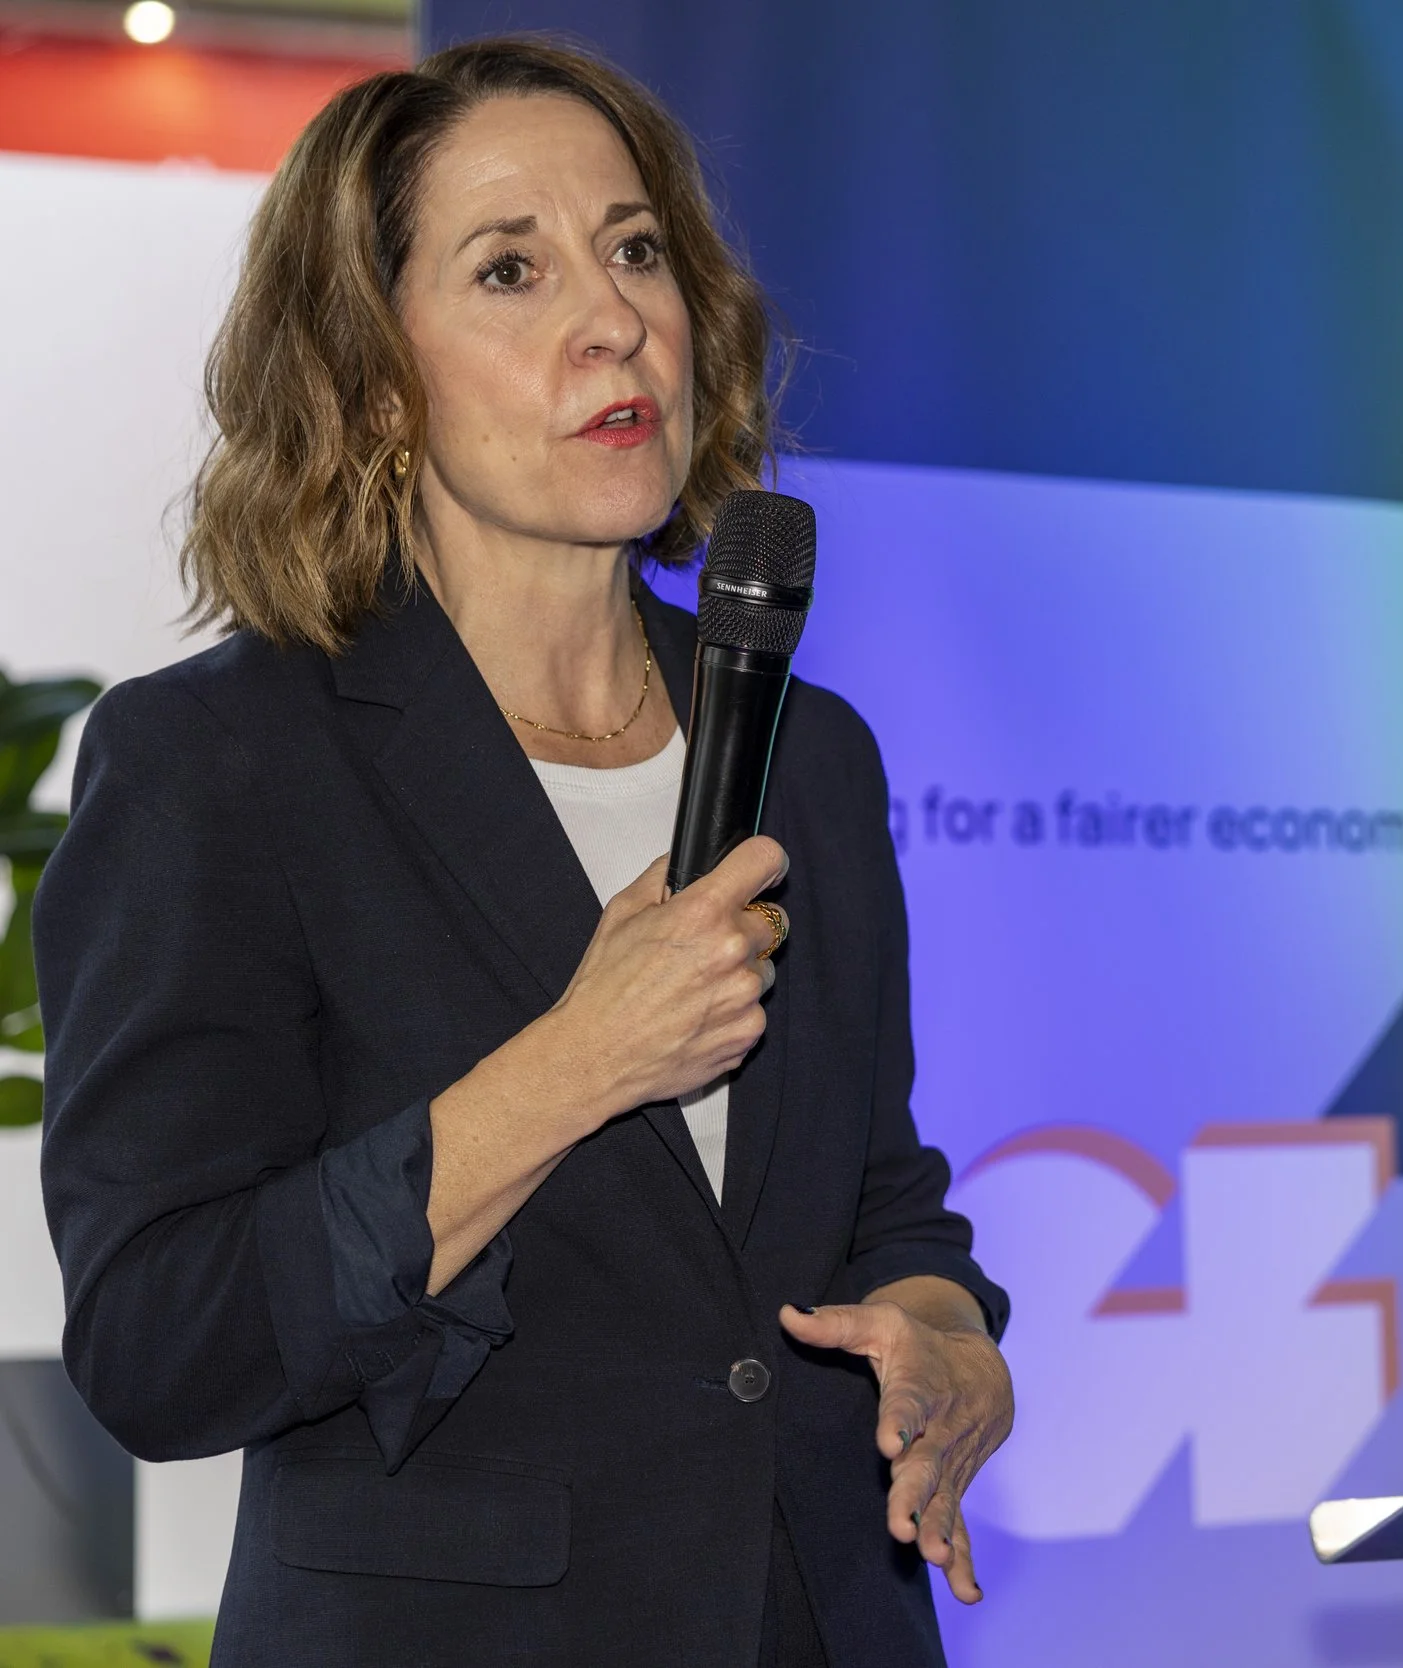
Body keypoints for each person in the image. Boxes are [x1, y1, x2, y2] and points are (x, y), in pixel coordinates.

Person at [34, 37, 1011, 1667]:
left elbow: (879, 1198)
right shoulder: (221, 760)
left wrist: (946, 1332)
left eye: (636, 250)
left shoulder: (807, 751)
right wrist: (573, 1064)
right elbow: (161, 1343)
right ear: (369, 379)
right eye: (511, 268)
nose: (615, 317)